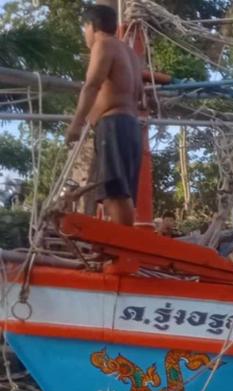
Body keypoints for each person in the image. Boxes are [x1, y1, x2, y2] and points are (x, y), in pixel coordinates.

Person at [66, 5, 143, 227]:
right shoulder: (129, 53)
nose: (85, 35)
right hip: (129, 125)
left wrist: (77, 123)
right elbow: (139, 94)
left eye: (84, 28)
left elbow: (92, 85)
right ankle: (120, 245)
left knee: (115, 193)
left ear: (91, 26)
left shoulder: (103, 44)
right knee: (117, 192)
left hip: (114, 124)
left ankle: (123, 250)